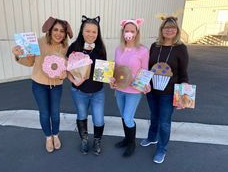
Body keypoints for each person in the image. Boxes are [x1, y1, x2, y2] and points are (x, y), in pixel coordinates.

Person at [12, 17, 73, 153]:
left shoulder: (66, 48)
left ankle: (55, 135)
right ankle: (48, 137)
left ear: (65, 34)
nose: (58, 33)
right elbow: (30, 62)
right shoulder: (38, 42)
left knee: (55, 113)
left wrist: (63, 75)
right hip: (39, 85)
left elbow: (67, 68)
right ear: (50, 30)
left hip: (56, 86)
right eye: (55, 30)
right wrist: (18, 55)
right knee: (45, 113)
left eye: (62, 31)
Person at [140, 16, 189, 163]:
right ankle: (152, 137)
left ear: (177, 30)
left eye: (172, 28)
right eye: (166, 27)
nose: (169, 30)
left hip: (168, 93)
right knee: (154, 116)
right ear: (161, 30)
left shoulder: (180, 48)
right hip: (152, 91)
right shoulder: (155, 46)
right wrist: (143, 82)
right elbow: (147, 68)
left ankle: (162, 149)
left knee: (165, 122)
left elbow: (183, 73)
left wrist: (183, 93)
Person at [66, 15, 107, 155]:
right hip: (79, 91)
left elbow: (104, 70)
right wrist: (73, 80)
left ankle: (97, 140)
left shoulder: (100, 48)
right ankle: (84, 140)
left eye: (94, 32)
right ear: (82, 31)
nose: (90, 34)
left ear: (98, 33)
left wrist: (110, 78)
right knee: (82, 115)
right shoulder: (74, 47)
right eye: (87, 31)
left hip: (97, 91)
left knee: (99, 118)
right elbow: (66, 68)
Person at [110, 18, 150, 157]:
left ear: (137, 33)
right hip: (120, 89)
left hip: (133, 91)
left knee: (128, 117)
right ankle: (126, 139)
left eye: (132, 31)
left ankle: (132, 143)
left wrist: (146, 84)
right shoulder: (118, 49)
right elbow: (115, 69)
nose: (129, 33)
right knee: (123, 115)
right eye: (127, 30)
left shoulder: (143, 50)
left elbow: (145, 70)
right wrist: (112, 79)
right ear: (123, 32)